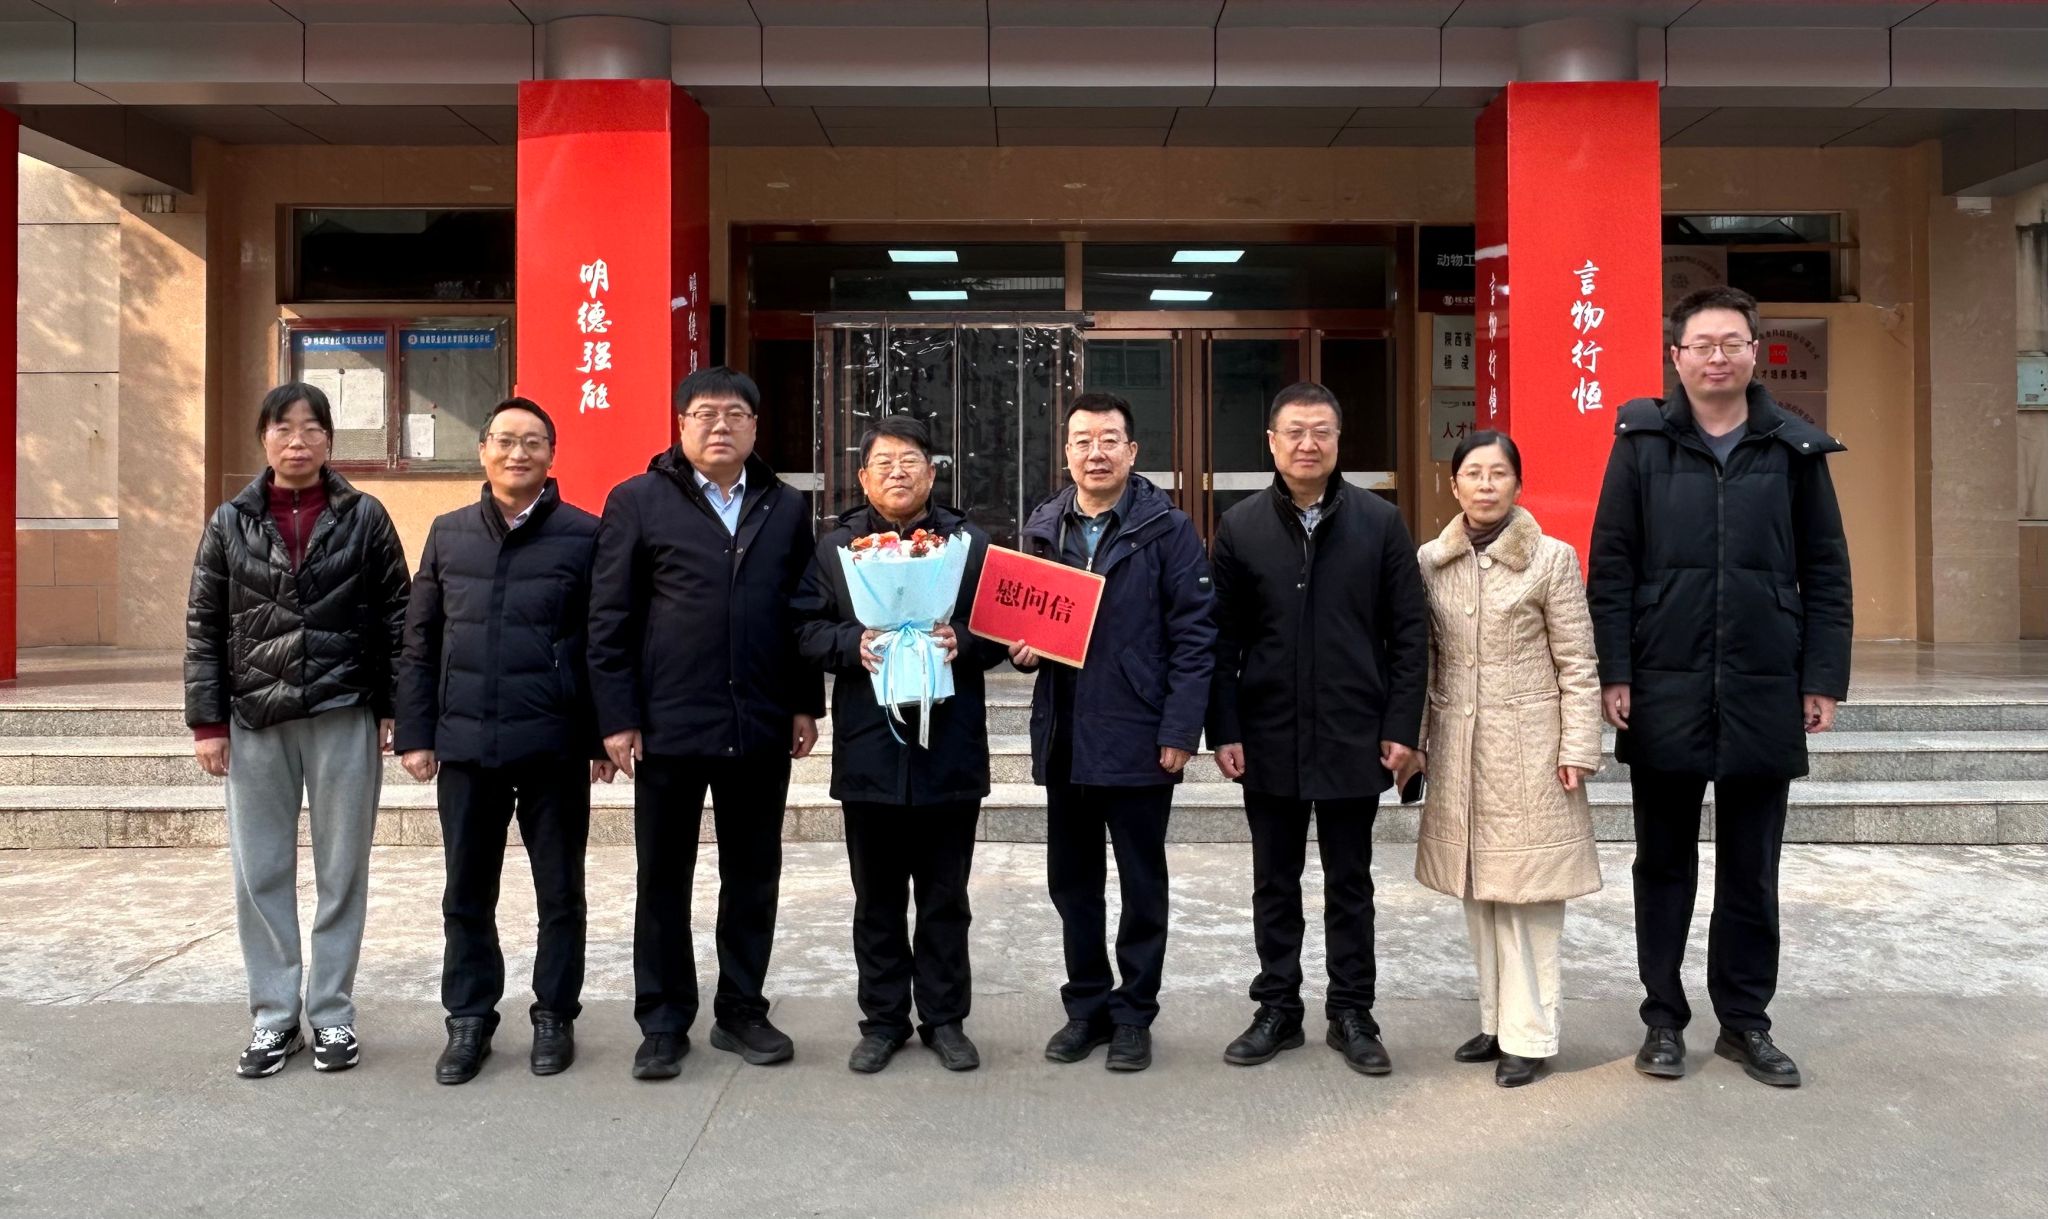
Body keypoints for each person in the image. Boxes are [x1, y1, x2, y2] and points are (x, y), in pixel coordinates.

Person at [1589, 286, 1852, 1089]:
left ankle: (1745, 1021)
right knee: (1663, 864)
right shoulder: (1642, 443)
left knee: (1752, 868)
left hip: (1764, 684)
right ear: (1677, 356)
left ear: (1754, 353)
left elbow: (1827, 571)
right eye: (1701, 344)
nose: (1716, 357)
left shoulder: (1793, 449)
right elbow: (1611, 566)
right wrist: (1615, 670)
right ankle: (1663, 1018)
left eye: (1731, 343)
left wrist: (1821, 677)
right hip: (1663, 684)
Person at [588, 366, 823, 1081]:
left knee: (752, 875)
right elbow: (609, 618)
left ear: (755, 426)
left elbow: (801, 610)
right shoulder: (637, 500)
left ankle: (742, 1009)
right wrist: (617, 717)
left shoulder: (784, 505)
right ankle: (663, 1021)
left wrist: (804, 701)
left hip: (759, 721)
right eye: (705, 414)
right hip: (668, 724)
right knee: (664, 879)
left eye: (735, 414)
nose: (720, 426)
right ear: (681, 424)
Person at [184, 381, 410, 1079]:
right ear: (264, 438)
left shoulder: (364, 517)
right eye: (284, 428)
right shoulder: (230, 522)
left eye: (312, 428)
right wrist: (208, 722)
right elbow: (204, 625)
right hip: (256, 717)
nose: (298, 441)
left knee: (343, 870)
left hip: (344, 712)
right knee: (261, 870)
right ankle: (274, 1016)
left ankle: (333, 1011)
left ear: (330, 440)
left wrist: (395, 706)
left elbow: (398, 616)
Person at [1207, 381, 1428, 1077]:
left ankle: (1352, 1011)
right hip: (1267, 731)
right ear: (1271, 443)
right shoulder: (1240, 526)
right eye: (1295, 432)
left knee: (1350, 882)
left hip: (1353, 730)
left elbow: (1409, 633)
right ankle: (1277, 1008)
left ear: (1338, 441)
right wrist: (1225, 727)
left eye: (1321, 431)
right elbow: (1220, 638)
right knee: (1274, 881)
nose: (1308, 444)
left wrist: (1402, 725)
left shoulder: (1380, 522)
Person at [395, 398, 613, 1086]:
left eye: (533, 442)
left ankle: (555, 1014)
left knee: (561, 892)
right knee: (466, 891)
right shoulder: (449, 533)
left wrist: (600, 735)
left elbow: (602, 641)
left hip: (555, 744)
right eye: (506, 440)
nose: (519, 453)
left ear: (552, 454)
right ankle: (469, 1017)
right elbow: (420, 639)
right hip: (467, 743)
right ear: (483, 449)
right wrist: (416, 732)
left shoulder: (585, 534)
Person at [793, 415, 1008, 1074]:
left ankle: (945, 1019)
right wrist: (849, 643)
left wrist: (962, 640)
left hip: (950, 745)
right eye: (883, 461)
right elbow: (803, 629)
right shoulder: (838, 548)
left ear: (932, 472)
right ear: (863, 477)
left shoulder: (968, 543)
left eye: (910, 459)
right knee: (877, 899)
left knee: (946, 897)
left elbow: (1000, 626)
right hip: (871, 747)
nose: (897, 471)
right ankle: (883, 1020)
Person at [1010, 391, 1215, 1073]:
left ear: (1132, 451)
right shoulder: (1044, 528)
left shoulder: (1168, 530)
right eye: (1082, 441)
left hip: (1138, 731)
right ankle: (1086, 1008)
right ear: (1066, 452)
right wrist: (1022, 649)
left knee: (1141, 884)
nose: (1095, 453)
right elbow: (1029, 621)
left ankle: (1133, 1015)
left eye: (1108, 440)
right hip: (1066, 732)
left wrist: (1180, 728)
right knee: (1073, 884)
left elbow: (1195, 637)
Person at [1412, 430, 1602, 1088]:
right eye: (1473, 472)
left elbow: (1577, 662)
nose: (1486, 484)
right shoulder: (1431, 561)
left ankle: (1532, 1035)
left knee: (1528, 897)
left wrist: (1579, 745)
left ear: (1518, 484)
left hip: (1531, 750)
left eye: (1498, 473)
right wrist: (1416, 741)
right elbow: (1425, 660)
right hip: (1459, 749)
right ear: (1454, 485)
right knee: (1481, 893)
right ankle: (1496, 1022)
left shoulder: (1551, 559)